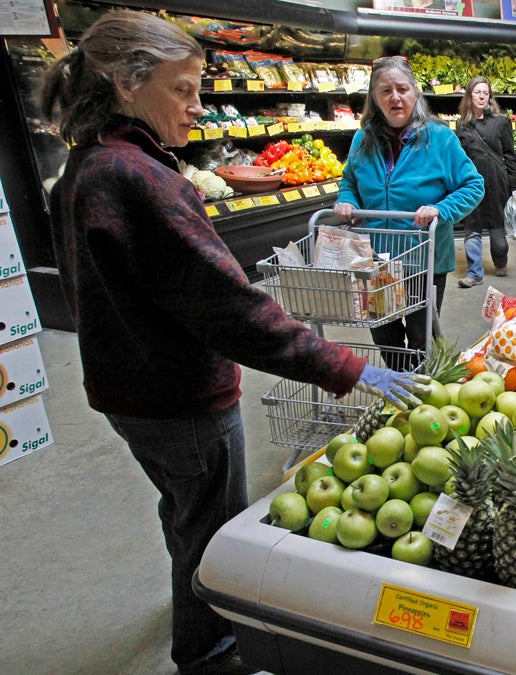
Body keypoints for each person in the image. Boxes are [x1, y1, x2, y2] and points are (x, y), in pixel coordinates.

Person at [40, 11, 429, 675]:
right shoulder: (141, 181)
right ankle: (209, 649)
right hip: (180, 397)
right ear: (128, 85)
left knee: (183, 507)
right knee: (211, 527)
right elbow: (231, 309)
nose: (199, 107)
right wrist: (344, 363)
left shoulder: (84, 166)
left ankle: (190, 595)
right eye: (183, 90)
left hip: (124, 388)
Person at [334, 56, 484, 353]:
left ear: (415, 93)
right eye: (385, 91)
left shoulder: (440, 138)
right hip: (377, 260)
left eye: (402, 89)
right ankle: (401, 390)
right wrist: (346, 200)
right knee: (385, 338)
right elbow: (350, 180)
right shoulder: (362, 140)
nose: (395, 97)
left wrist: (441, 209)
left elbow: (473, 185)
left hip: (423, 259)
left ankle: (417, 392)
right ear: (374, 99)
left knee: (421, 338)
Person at [455, 76, 516, 288]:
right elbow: (459, 156)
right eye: (477, 92)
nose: (482, 96)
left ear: (490, 97)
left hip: (497, 180)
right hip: (471, 182)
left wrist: (515, 186)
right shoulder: (462, 124)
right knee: (471, 225)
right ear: (469, 96)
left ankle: (500, 262)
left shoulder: (501, 122)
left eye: (486, 93)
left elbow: (510, 155)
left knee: (496, 225)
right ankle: (474, 273)